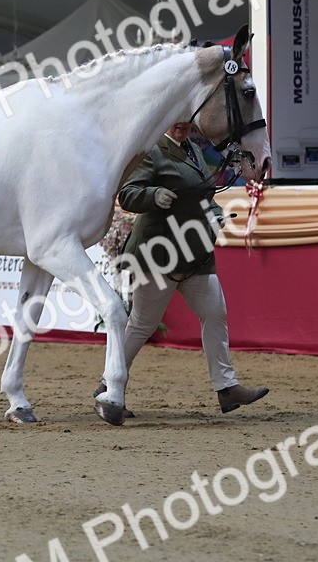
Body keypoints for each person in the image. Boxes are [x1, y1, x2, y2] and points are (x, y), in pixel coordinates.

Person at [96, 121, 269, 415]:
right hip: (158, 252)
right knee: (142, 324)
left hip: (195, 252)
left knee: (215, 313)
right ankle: (109, 385)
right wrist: (154, 195)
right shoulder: (151, 151)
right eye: (177, 122)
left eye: (186, 122)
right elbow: (127, 194)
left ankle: (226, 388)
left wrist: (217, 215)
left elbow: (205, 196)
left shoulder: (194, 152)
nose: (182, 127)